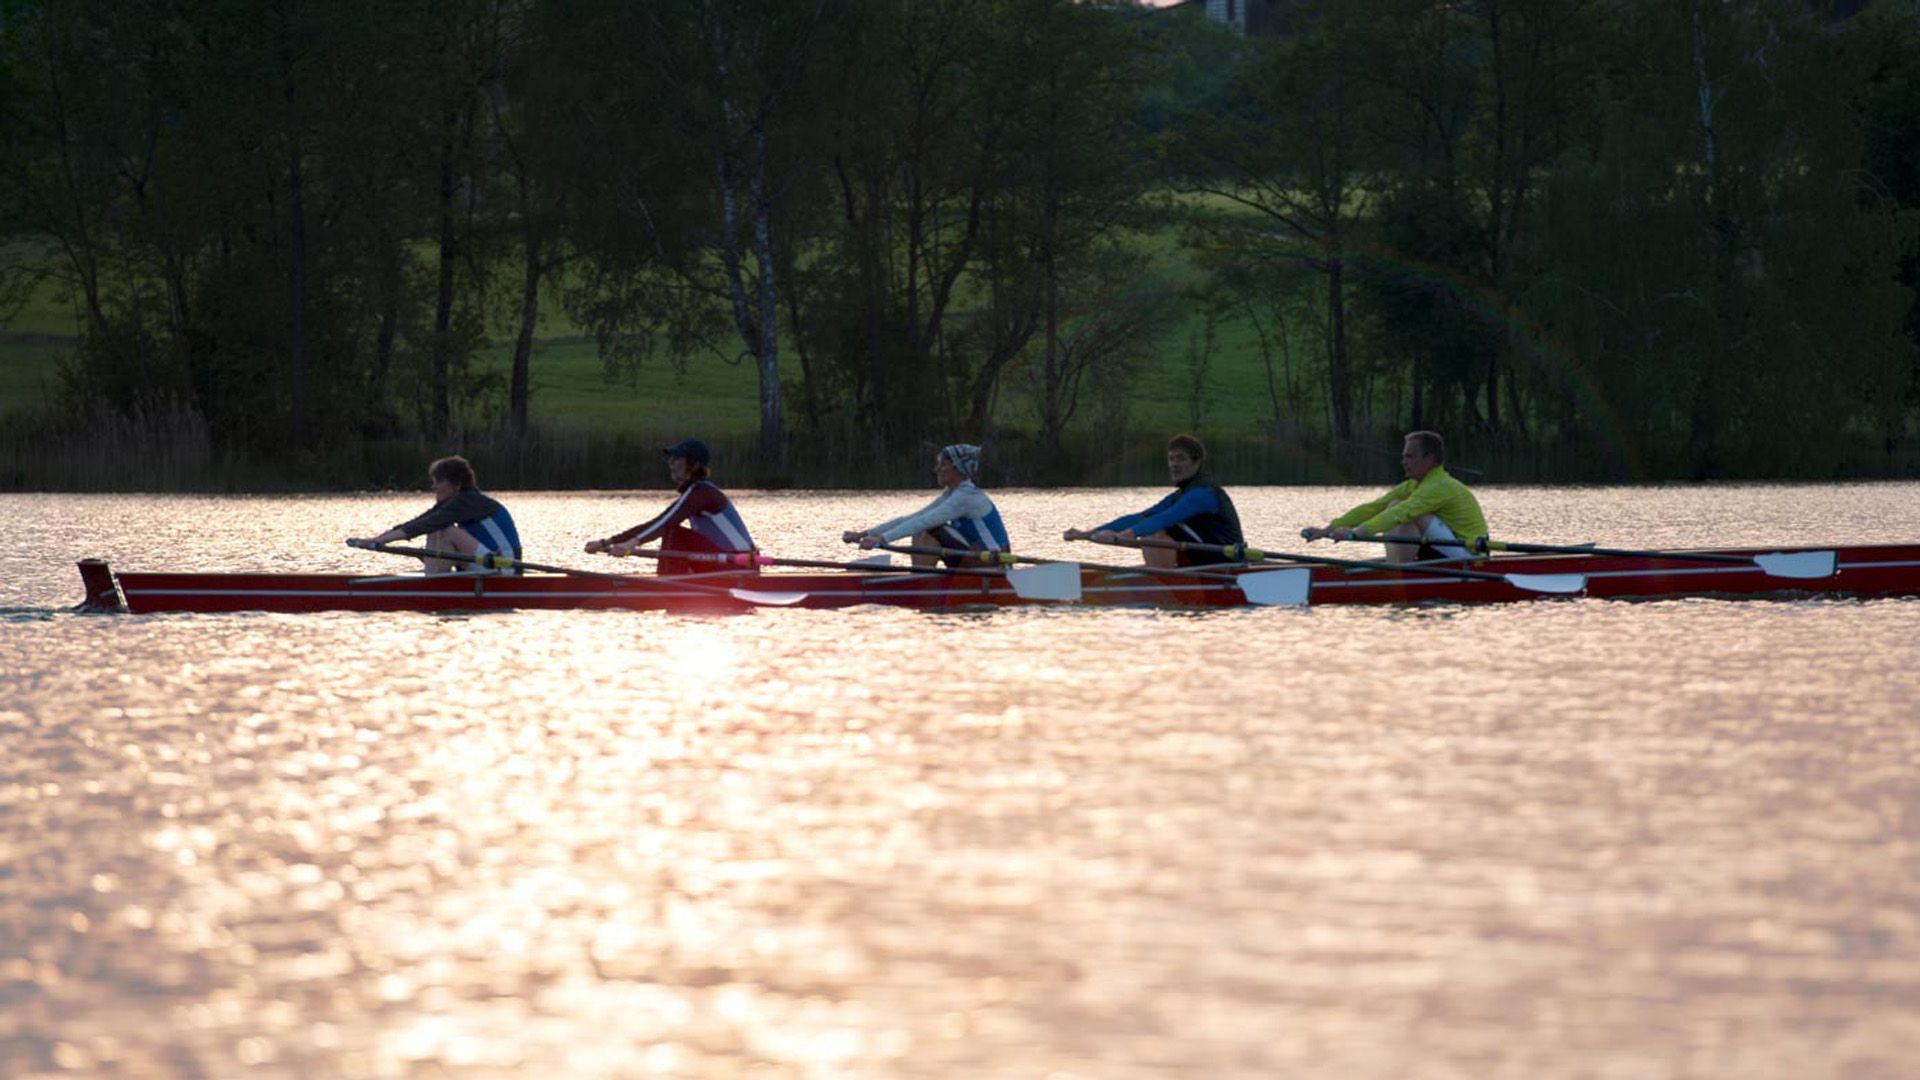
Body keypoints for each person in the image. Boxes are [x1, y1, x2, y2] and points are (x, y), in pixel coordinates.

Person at [1303, 430, 1487, 563]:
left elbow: (1400, 512)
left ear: (1429, 458)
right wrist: (1328, 529)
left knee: (1401, 510)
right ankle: (1396, 568)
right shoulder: (1413, 485)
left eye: (1409, 457)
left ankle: (1398, 571)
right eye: (1403, 457)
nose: (1403, 462)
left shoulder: (1439, 486)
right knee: (1391, 505)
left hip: (1470, 556)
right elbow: (1373, 508)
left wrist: (1355, 533)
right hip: (1445, 550)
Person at [1063, 434, 1243, 568]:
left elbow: (1165, 519)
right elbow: (1140, 518)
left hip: (1225, 563)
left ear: (1197, 463)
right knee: (1150, 526)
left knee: (1155, 531)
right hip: (1202, 562)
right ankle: (1165, 577)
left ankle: (1166, 584)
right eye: (1171, 459)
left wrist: (1126, 535)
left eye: (1181, 458)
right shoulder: (1177, 497)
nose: (1174, 464)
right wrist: (1088, 533)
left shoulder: (1203, 495)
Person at [585, 437, 756, 575]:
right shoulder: (695, 492)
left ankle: (667, 586)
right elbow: (658, 522)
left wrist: (630, 544)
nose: (671, 463)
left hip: (740, 566)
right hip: (728, 563)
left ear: (694, 465)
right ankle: (674, 579)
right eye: (671, 458)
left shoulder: (701, 493)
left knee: (673, 532)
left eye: (677, 459)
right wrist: (606, 542)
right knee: (672, 530)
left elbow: (665, 524)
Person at [348, 455, 522, 574]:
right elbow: (419, 522)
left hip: (505, 567)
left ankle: (432, 582)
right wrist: (377, 539)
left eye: (439, 481)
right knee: (436, 530)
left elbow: (423, 525)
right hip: (486, 562)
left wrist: (378, 541)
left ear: (457, 484)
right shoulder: (453, 504)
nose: (434, 487)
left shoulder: (470, 501)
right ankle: (432, 576)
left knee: (446, 531)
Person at [843, 444, 1009, 568]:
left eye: (943, 464)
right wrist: (863, 534)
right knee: (919, 527)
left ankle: (922, 581)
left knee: (928, 528)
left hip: (994, 563)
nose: (937, 469)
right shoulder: (951, 493)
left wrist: (881, 539)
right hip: (975, 557)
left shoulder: (966, 497)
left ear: (959, 468)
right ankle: (922, 577)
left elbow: (925, 522)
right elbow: (914, 518)